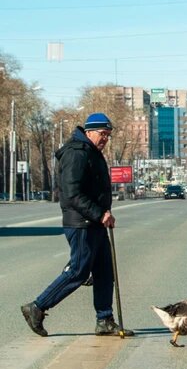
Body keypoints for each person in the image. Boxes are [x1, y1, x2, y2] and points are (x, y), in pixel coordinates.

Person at [21, 112, 133, 337]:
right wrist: (99, 213)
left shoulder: (92, 152)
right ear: (89, 131)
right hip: (81, 223)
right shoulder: (76, 153)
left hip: (94, 222)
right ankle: (38, 307)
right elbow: (72, 193)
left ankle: (105, 320)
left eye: (108, 136)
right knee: (79, 271)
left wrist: (102, 213)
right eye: (102, 134)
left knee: (104, 273)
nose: (105, 139)